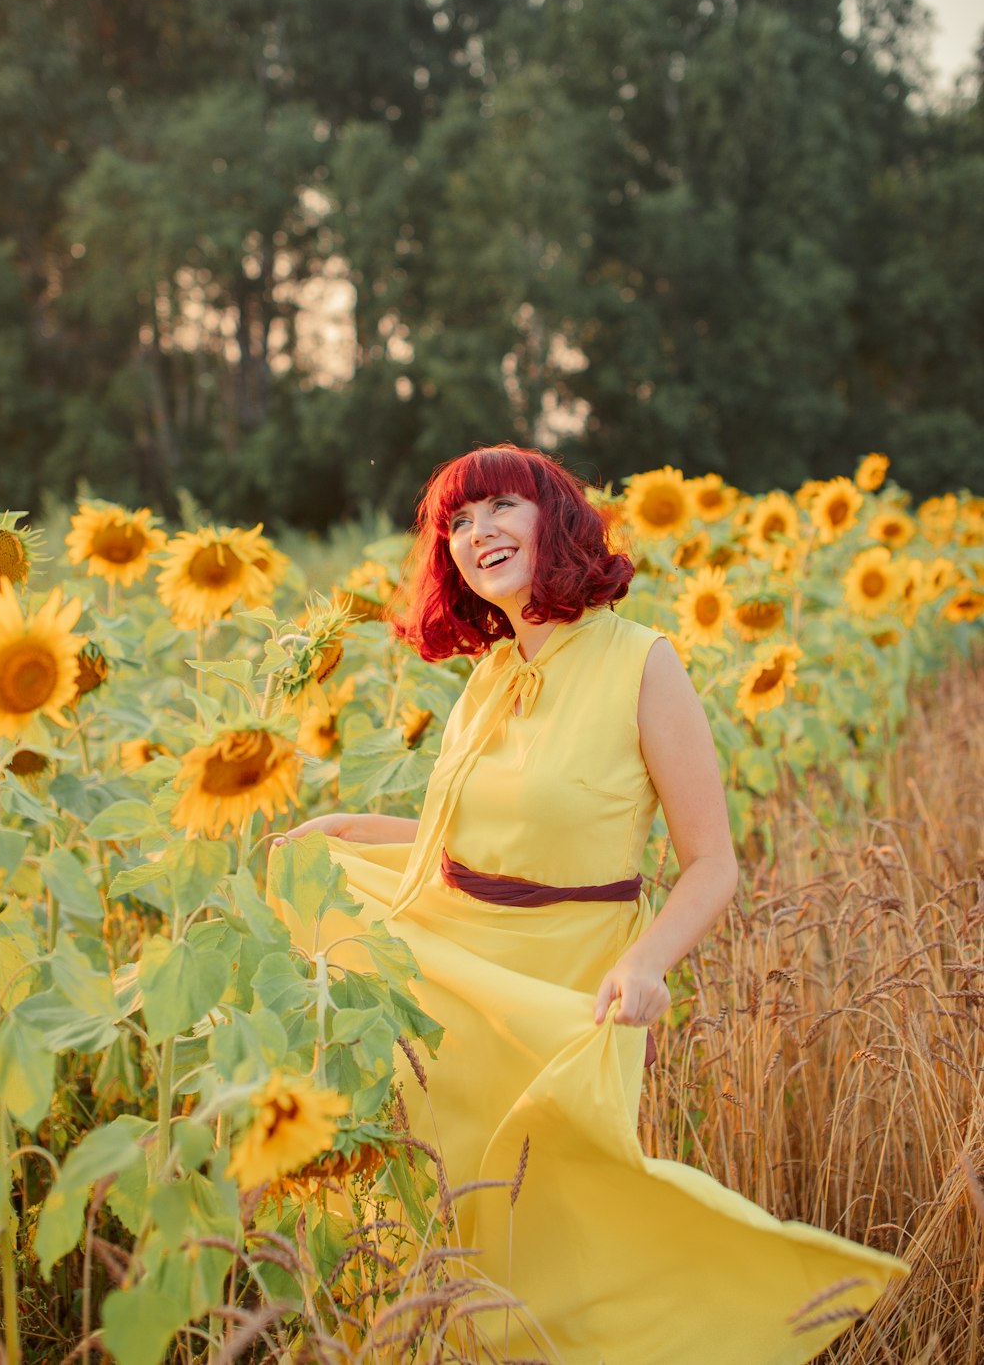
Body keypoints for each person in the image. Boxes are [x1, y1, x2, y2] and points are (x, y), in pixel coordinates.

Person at [269, 443, 906, 1365]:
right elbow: (461, 843)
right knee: (450, 1225)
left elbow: (711, 863)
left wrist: (644, 963)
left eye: (498, 508)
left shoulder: (641, 661)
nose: (476, 532)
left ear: (556, 520)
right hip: (461, 981)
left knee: (574, 1227)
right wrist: (341, 832)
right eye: (457, 521)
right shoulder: (487, 678)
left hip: (570, 981)